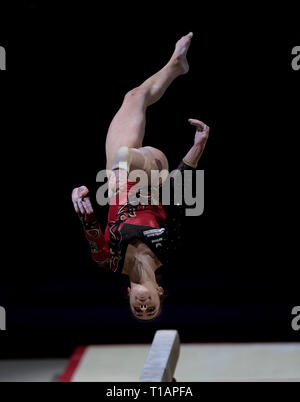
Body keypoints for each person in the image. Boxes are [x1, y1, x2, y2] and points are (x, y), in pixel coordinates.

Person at [71, 32, 209, 320]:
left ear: (129, 295)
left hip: (116, 175)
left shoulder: (109, 261)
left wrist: (80, 204)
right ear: (159, 292)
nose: (143, 305)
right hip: (151, 173)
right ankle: (175, 66)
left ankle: (176, 65)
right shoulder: (167, 249)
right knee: (124, 155)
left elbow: (91, 229)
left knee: (134, 97)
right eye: (150, 308)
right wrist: (196, 149)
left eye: (138, 309)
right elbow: (179, 200)